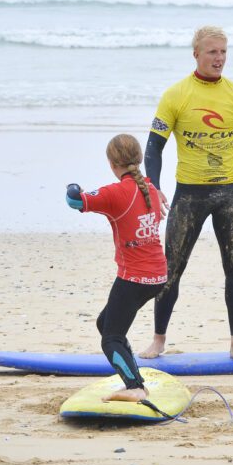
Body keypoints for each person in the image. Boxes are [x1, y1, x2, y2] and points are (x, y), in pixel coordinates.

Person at [141, 26, 233, 370]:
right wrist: (154, 185)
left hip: (231, 192)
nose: (219, 58)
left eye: (223, 52)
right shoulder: (176, 95)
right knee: (170, 269)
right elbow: (154, 147)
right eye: (212, 52)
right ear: (196, 54)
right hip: (189, 193)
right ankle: (158, 339)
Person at [66, 134, 167, 402]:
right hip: (157, 275)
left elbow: (75, 201)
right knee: (107, 324)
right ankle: (135, 379)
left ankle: (135, 386)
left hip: (134, 277)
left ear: (112, 163)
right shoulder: (152, 190)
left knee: (110, 337)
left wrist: (72, 185)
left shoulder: (117, 192)